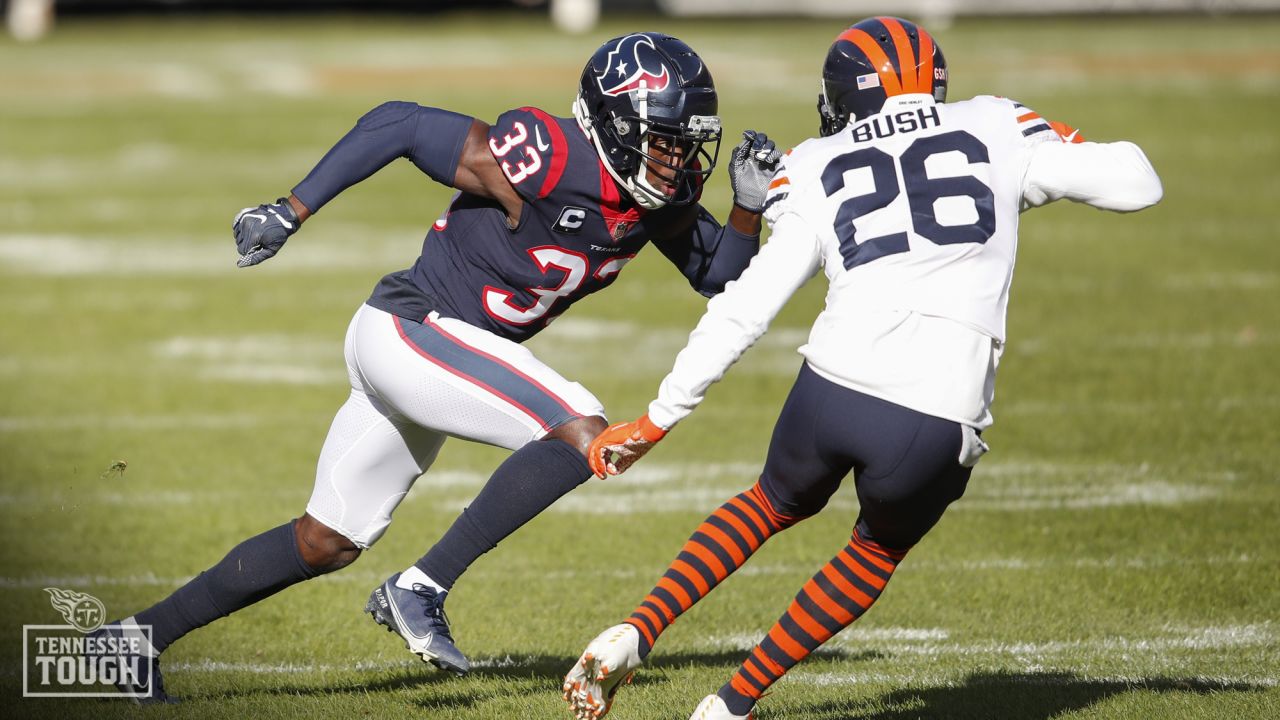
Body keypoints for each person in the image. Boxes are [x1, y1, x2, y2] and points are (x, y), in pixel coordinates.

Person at [89, 31, 782, 703]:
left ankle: (132, 641)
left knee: (326, 540)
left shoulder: (653, 200)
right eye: (662, 141)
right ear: (611, 123)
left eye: (686, 143)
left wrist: (747, 207)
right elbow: (399, 124)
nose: (676, 160)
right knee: (584, 429)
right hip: (411, 328)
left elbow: (717, 275)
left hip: (438, 352)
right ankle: (423, 587)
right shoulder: (550, 157)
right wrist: (292, 208)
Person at [563, 16, 1162, 720]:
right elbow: (1138, 183)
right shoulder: (996, 123)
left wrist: (661, 416)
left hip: (834, 385)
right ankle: (730, 705)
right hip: (937, 406)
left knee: (765, 505)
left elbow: (746, 307)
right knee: (874, 552)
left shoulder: (816, 158)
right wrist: (1038, 163)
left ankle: (637, 628)